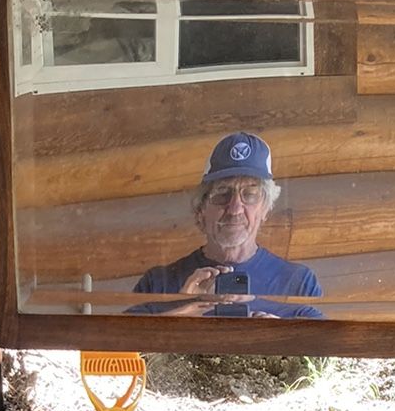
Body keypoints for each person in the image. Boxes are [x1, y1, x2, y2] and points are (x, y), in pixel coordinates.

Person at [131, 133, 323, 317]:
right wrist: (179, 311)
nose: (235, 209)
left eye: (249, 194)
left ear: (265, 208)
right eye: (222, 193)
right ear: (201, 210)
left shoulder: (298, 283)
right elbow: (117, 347)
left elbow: (323, 346)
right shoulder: (157, 283)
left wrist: (277, 333)